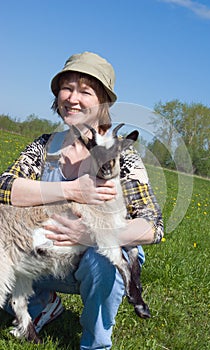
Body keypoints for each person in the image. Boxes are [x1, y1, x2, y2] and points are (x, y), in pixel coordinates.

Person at [0, 51, 164, 350]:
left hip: (87, 262)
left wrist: (90, 236)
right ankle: (40, 306)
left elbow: (153, 225)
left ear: (103, 101)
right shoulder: (44, 146)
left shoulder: (122, 154)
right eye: (67, 87)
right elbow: (4, 188)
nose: (73, 98)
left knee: (108, 259)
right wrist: (72, 189)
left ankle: (95, 344)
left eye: (85, 91)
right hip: (42, 258)